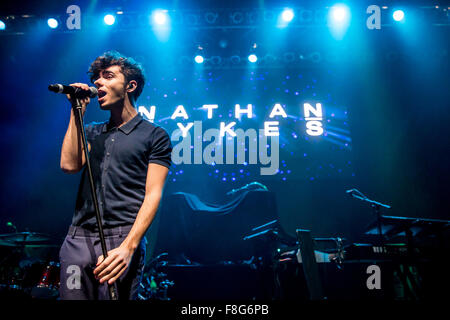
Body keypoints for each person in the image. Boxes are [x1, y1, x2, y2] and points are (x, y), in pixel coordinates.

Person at [58, 51, 172, 300]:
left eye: (108, 76)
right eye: (96, 78)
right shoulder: (91, 131)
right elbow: (68, 165)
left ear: (130, 85)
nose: (98, 82)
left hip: (121, 237)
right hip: (78, 239)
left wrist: (129, 248)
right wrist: (77, 111)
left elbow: (153, 195)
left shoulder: (154, 136)